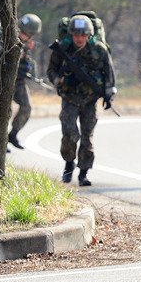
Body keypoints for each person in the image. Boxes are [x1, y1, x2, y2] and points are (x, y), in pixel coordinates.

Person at [46, 14, 116, 186]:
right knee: (70, 134)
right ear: (71, 34)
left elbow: (109, 73)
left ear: (89, 35)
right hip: (69, 98)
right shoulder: (63, 48)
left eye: (83, 35)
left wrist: (108, 95)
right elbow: (51, 71)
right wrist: (61, 80)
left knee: (87, 137)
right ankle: (69, 163)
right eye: (76, 35)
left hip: (90, 100)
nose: (79, 38)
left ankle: (83, 173)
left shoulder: (99, 49)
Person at [0, 13, 42, 150]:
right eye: (27, 33)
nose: (28, 36)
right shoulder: (6, 39)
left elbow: (27, 64)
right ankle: (1, 141)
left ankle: (13, 134)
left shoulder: (26, 44)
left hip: (19, 82)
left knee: (26, 107)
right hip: (4, 80)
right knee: (5, 111)